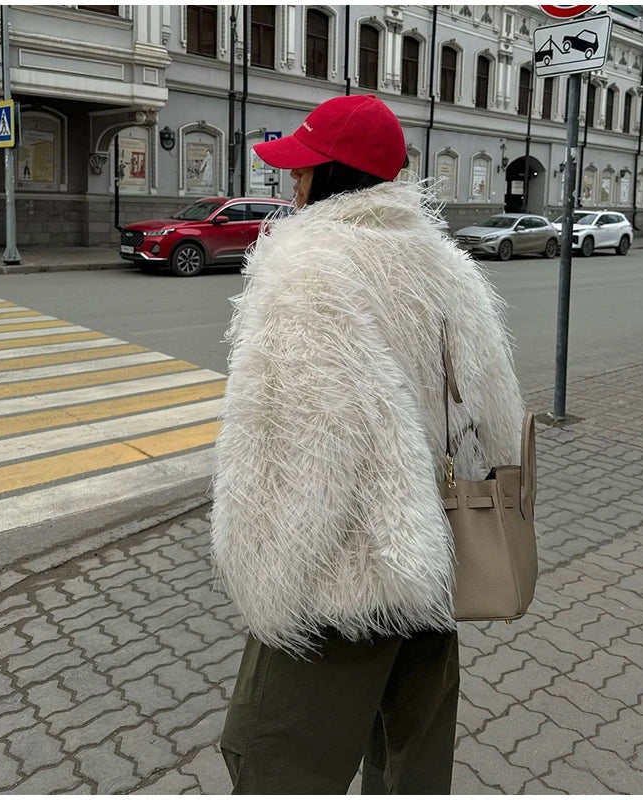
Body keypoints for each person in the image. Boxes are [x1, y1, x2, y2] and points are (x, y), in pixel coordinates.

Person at [211, 94, 524, 794]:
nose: (292, 181)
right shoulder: (446, 264)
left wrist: (268, 578)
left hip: (338, 580)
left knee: (270, 761)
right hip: (435, 569)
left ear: (334, 175)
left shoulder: (305, 266)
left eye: (303, 168)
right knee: (412, 764)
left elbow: (291, 448)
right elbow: (495, 417)